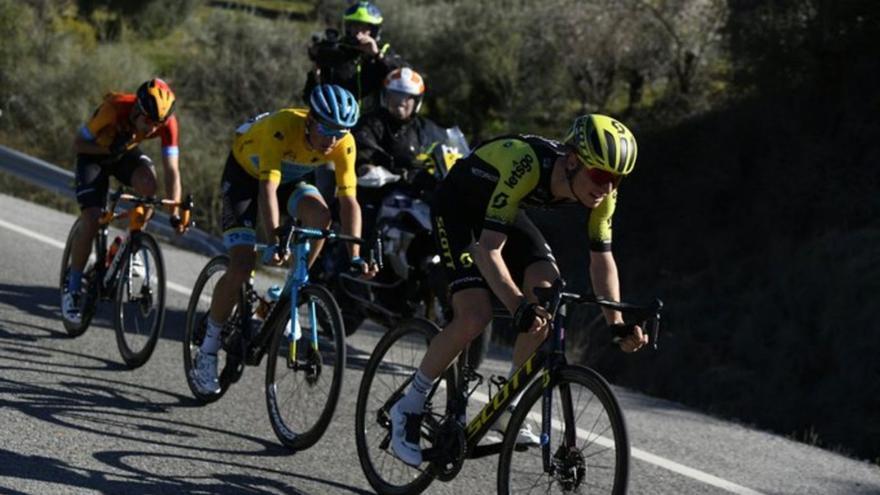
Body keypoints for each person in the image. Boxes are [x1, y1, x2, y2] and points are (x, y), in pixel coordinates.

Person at [388, 114, 651, 466]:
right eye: (601, 175)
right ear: (573, 160)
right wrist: (516, 306)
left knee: (548, 293)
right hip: (457, 209)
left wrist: (615, 321)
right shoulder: (526, 163)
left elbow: (602, 259)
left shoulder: (603, 195)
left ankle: (507, 404)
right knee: (475, 315)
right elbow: (488, 250)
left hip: (503, 210)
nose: (607, 188)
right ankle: (409, 405)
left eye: (616, 180)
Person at [190, 84, 371, 395]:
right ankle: (207, 348)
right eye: (326, 128)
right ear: (310, 120)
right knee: (243, 264)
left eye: (340, 132)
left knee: (322, 219)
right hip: (247, 178)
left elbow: (349, 201)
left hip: (292, 178)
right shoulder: (282, 126)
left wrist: (356, 253)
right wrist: (275, 240)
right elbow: (267, 190)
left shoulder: (344, 142)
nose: (332, 139)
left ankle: (292, 287)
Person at [62, 78, 185, 325]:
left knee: (149, 187)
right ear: (137, 109)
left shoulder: (167, 124)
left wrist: (176, 209)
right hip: (94, 155)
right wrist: (108, 151)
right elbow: (78, 143)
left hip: (123, 153)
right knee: (92, 218)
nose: (152, 129)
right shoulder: (114, 108)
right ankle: (72, 289)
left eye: (158, 124)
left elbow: (172, 169)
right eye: (148, 122)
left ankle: (131, 244)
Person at [353, 67, 447, 236]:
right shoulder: (372, 123)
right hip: (380, 192)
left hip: (418, 193)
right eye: (395, 94)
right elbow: (362, 149)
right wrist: (366, 168)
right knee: (361, 230)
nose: (401, 101)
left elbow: (447, 151)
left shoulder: (427, 129)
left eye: (408, 96)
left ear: (417, 100)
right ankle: (353, 259)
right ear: (385, 96)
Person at [303, 1, 406, 113]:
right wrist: (316, 79)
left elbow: (406, 77)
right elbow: (309, 96)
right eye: (354, 26)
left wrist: (377, 55)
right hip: (338, 121)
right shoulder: (337, 50)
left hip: (371, 124)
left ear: (374, 31)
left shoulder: (384, 50)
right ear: (347, 28)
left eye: (364, 28)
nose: (358, 33)